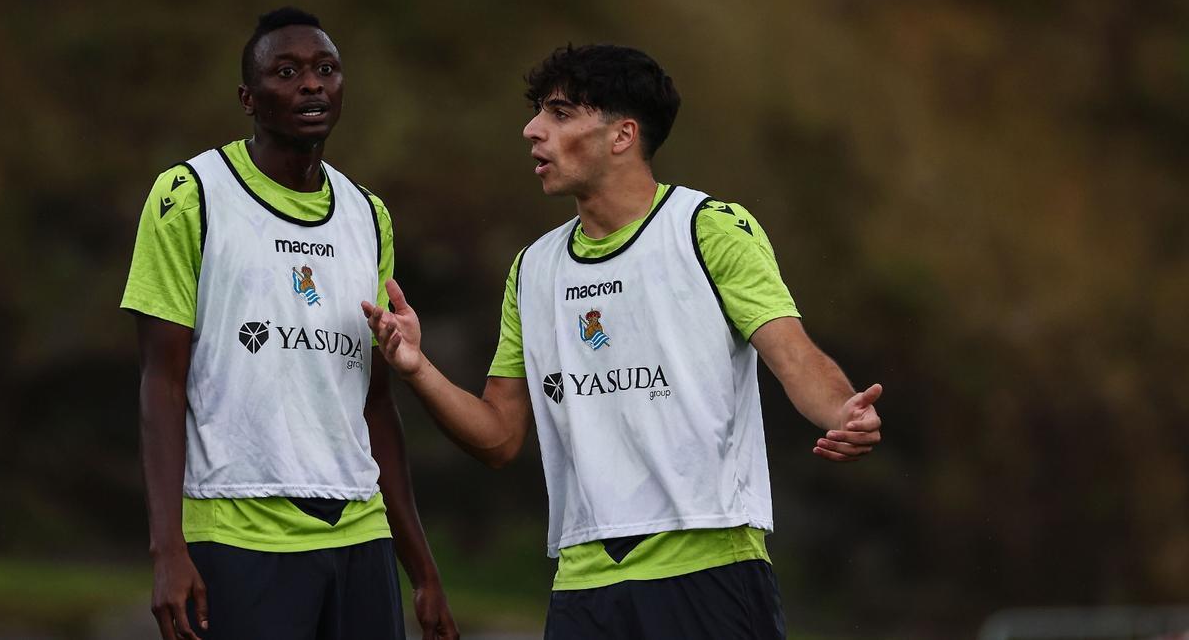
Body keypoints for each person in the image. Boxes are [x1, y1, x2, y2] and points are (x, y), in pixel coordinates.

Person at [361, 44, 883, 638]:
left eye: (558, 114)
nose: (532, 130)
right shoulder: (534, 269)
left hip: (709, 571)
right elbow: (499, 437)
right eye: (538, 114)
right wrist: (416, 368)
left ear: (621, 136)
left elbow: (795, 357)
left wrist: (843, 410)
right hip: (583, 585)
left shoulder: (707, 229)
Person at [122, 7, 458, 640]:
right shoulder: (189, 195)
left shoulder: (368, 214)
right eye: (287, 71)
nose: (312, 84)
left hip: (359, 536)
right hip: (237, 534)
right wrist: (168, 550)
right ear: (249, 98)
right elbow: (161, 383)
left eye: (325, 70)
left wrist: (421, 568)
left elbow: (375, 403)